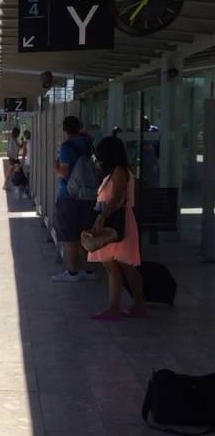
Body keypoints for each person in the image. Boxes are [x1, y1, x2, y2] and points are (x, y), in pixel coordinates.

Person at [86, 136, 145, 319]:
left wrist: (102, 217)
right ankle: (125, 306)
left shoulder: (119, 171)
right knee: (116, 265)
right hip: (113, 221)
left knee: (122, 265)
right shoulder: (116, 171)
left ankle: (124, 306)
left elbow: (117, 197)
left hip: (115, 222)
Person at [52, 116, 97, 282]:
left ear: (65, 130)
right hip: (87, 194)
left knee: (70, 236)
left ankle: (72, 272)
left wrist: (55, 167)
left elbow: (65, 172)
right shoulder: (88, 143)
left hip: (69, 196)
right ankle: (88, 270)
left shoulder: (66, 146)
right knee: (84, 234)